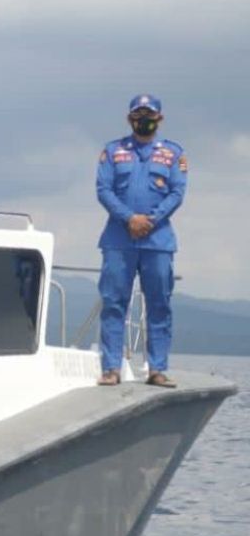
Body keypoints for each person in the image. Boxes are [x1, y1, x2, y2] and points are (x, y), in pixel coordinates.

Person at [95, 94, 187, 388]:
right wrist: (129, 219)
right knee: (113, 303)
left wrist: (151, 220)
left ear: (159, 119)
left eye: (149, 115)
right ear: (129, 118)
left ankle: (157, 369)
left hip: (157, 240)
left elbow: (177, 192)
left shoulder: (173, 154)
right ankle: (111, 368)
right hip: (119, 239)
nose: (143, 120)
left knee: (159, 304)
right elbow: (103, 189)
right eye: (138, 114)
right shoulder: (113, 151)